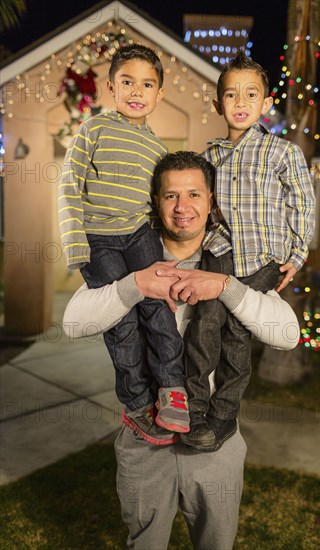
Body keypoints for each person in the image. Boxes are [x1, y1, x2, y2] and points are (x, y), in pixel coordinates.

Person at [63, 151, 300, 549]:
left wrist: (225, 288)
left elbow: (288, 334)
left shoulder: (234, 260)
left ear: (211, 201)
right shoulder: (132, 260)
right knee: (145, 542)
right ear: (156, 202)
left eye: (193, 194)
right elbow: (73, 323)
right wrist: (136, 284)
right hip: (144, 438)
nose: (183, 207)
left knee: (216, 542)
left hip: (215, 446)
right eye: (171, 196)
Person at [160, 53, 316, 449]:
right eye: (231, 95)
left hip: (262, 257)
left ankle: (223, 416)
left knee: (235, 338)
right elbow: (199, 206)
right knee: (203, 328)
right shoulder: (208, 156)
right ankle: (194, 414)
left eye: (251, 95)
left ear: (266, 103)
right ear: (218, 104)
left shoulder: (283, 153)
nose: (241, 102)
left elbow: (302, 203)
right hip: (220, 253)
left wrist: (297, 255)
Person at [58, 45, 188, 435]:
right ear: (112, 87)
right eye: (127, 82)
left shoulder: (158, 149)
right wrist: (76, 243)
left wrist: (169, 248)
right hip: (99, 240)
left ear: (158, 94)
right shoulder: (94, 129)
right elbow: (69, 185)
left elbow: (157, 203)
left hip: (139, 236)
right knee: (122, 320)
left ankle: (172, 388)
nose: (136, 91)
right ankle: (135, 402)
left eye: (147, 84)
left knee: (157, 310)